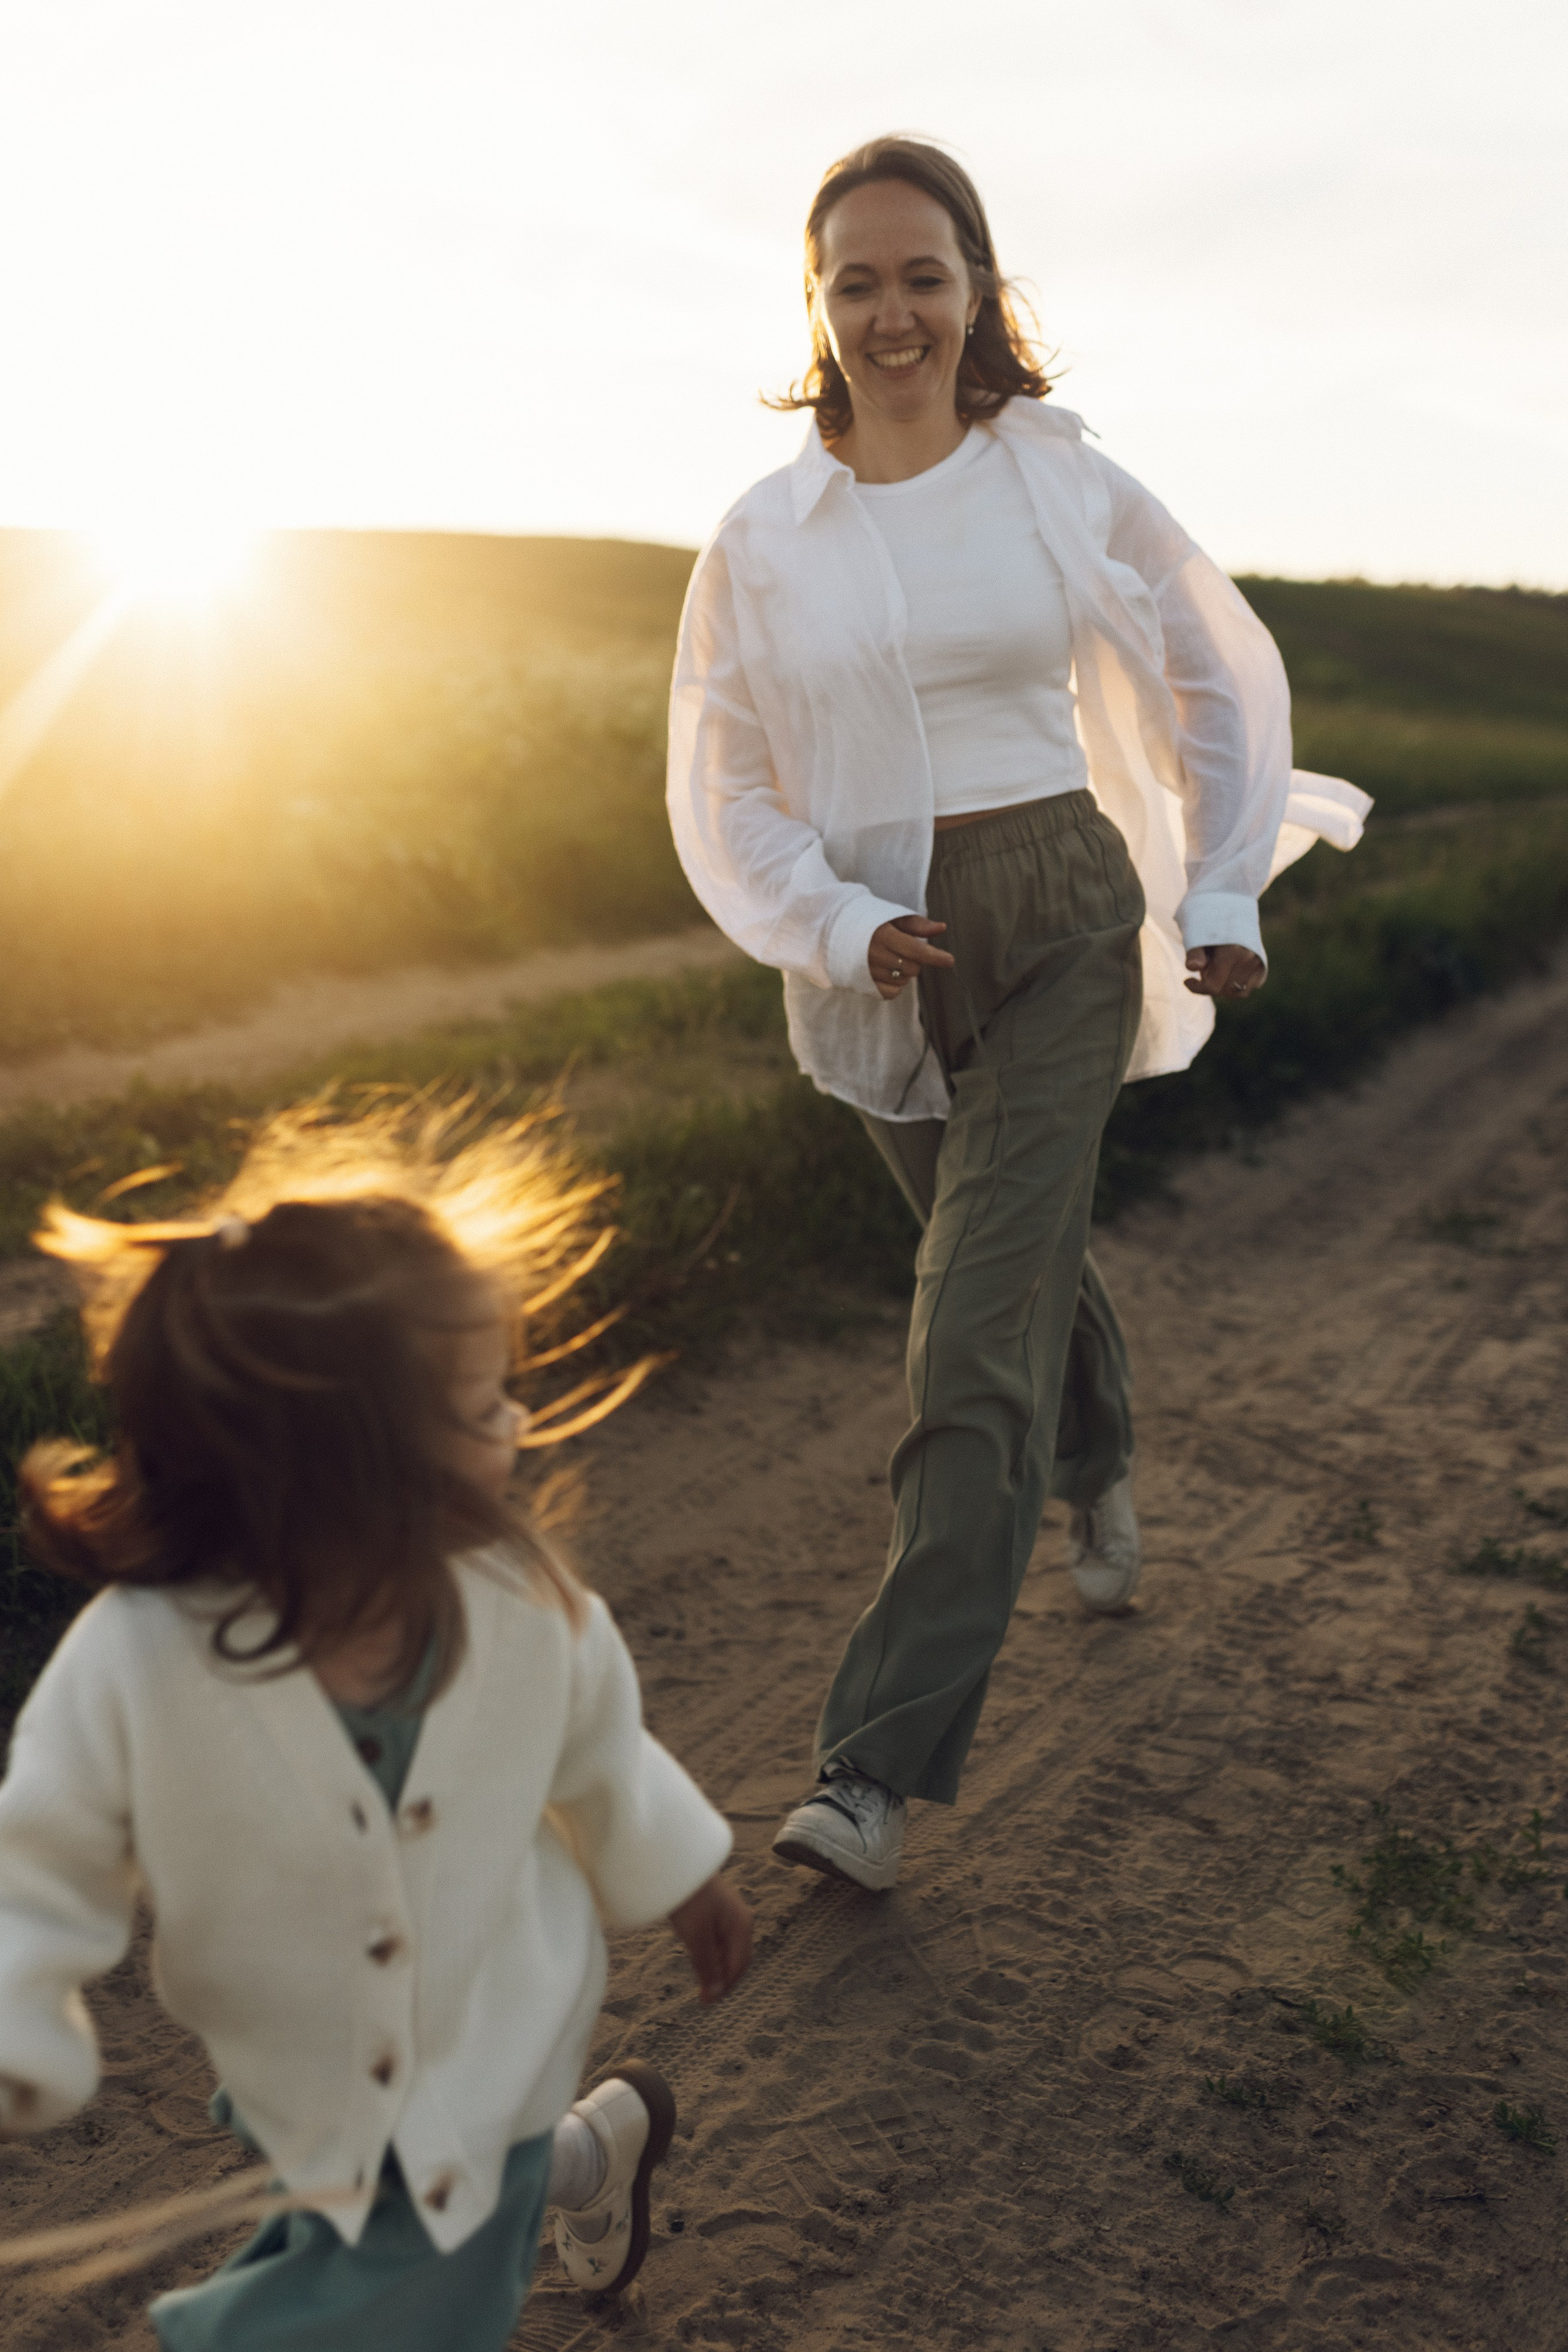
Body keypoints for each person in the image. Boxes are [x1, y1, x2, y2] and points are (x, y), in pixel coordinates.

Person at [666, 135, 1368, 1893]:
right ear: (814, 309)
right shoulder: (764, 536)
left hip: (1059, 915)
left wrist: (1213, 891)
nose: (891, 312)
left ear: (979, 288)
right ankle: (1106, 1451)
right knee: (1011, 1257)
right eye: (855, 282)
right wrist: (830, 919)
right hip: (881, 953)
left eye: (924, 275)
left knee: (967, 1328)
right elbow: (723, 776)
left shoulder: (1054, 481)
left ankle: (876, 1765)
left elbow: (1218, 668)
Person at [0, 1100, 753, 2348]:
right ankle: (590, 2155)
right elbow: (46, 1847)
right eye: (475, 1406)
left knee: (385, 2289)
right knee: (395, 2196)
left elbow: (597, 1743)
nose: (513, 1424)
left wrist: (680, 1873)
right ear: (330, 1462)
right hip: (305, 2062)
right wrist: (19, 2008)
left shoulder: (515, 1603)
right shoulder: (144, 1652)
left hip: (499, 2016)